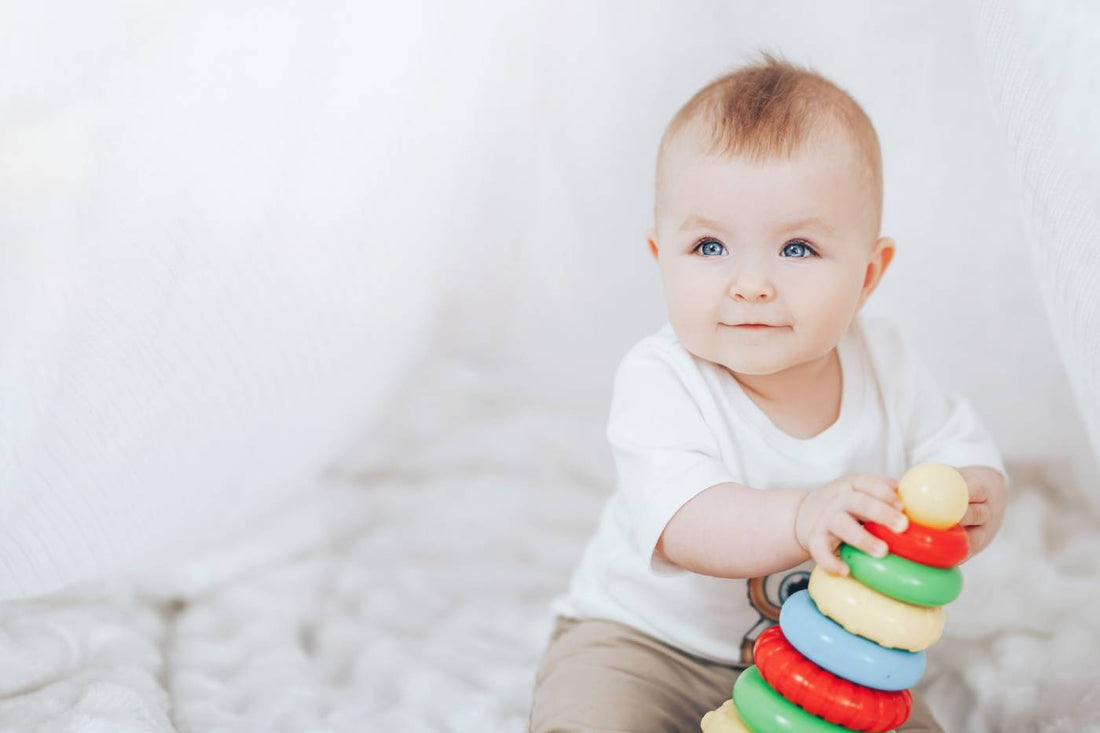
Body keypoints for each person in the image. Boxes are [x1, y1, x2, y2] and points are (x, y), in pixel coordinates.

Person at [528, 53, 1007, 732]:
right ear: (660, 254)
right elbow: (687, 522)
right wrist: (800, 516)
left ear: (869, 274)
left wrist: (976, 492)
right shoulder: (661, 377)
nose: (751, 282)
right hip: (647, 643)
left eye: (798, 249)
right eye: (710, 246)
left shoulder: (887, 360)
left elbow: (957, 452)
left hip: (831, 656)